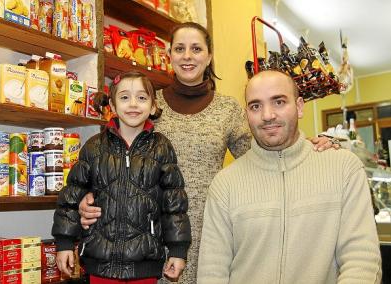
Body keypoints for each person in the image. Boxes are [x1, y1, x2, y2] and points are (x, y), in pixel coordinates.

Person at [78, 22, 338, 284]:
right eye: (180, 48)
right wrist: (89, 195)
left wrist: (306, 146)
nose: (187, 56)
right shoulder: (145, 103)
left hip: (212, 234)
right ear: (169, 55)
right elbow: (111, 156)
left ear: (209, 56)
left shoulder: (227, 110)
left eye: (196, 48)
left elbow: (264, 156)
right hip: (146, 242)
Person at [197, 70, 382, 284]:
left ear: (299, 106)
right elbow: (212, 270)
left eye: (279, 102)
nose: (267, 115)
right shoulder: (225, 183)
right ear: (247, 113)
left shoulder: (344, 168)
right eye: (255, 106)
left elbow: (361, 259)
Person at [52, 71, 191, 284]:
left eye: (142, 97)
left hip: (144, 263)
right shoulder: (94, 146)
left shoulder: (162, 147)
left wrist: (178, 251)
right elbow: (71, 195)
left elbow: (174, 204)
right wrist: (64, 244)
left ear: (153, 106)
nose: (133, 104)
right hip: (99, 262)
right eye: (125, 97)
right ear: (113, 106)